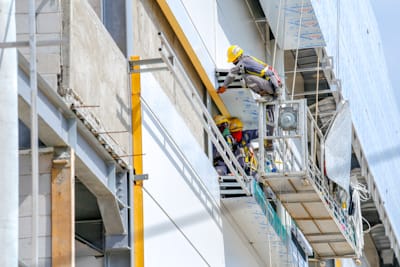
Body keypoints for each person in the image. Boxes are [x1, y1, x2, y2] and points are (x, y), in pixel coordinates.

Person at [217, 45, 281, 98]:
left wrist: (224, 87)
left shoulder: (243, 62)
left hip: (271, 86)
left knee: (246, 77)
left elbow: (232, 74)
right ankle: (267, 95)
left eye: (233, 60)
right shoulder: (248, 58)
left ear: (238, 57)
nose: (233, 62)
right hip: (271, 84)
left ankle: (265, 95)